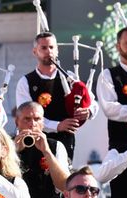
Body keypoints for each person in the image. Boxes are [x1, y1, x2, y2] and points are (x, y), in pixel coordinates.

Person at [16, 32, 98, 161]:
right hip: (35, 139)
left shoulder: (71, 78)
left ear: (57, 50)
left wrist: (88, 111)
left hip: (66, 139)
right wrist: (57, 125)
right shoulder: (25, 82)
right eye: (43, 48)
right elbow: (24, 117)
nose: (48, 51)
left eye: (51, 47)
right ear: (35, 52)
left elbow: (92, 102)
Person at [12, 101, 69, 198]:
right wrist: (14, 152)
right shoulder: (6, 145)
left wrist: (47, 152)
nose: (32, 124)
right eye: (27, 119)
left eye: (37, 119)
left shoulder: (55, 146)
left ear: (43, 123)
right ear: (17, 122)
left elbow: (64, 186)